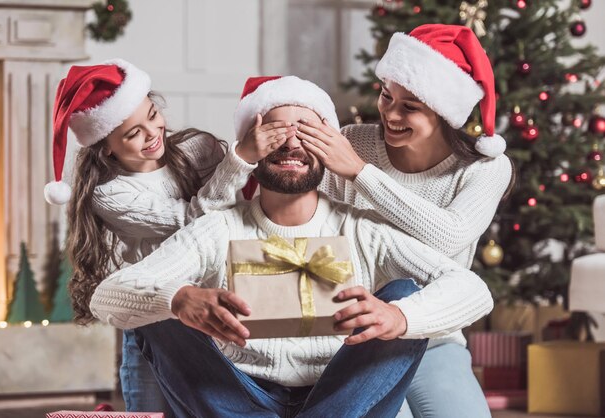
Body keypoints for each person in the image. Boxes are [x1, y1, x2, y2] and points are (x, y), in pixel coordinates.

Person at [89, 75, 494, 418]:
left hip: (339, 398)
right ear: (251, 148)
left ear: (328, 146)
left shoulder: (363, 230)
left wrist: (399, 316)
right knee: (159, 305)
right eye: (274, 131)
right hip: (239, 399)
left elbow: (473, 289)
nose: (290, 141)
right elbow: (106, 296)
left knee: (405, 294)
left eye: (306, 129)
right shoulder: (215, 229)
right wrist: (179, 299)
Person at [44, 60, 297, 415]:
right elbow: (195, 224)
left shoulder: (200, 149)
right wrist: (240, 160)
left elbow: (238, 213)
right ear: (106, 148)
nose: (152, 132)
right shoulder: (111, 194)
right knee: (149, 409)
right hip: (155, 321)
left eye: (152, 114)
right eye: (133, 133)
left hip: (218, 310)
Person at [286, 24, 514, 418]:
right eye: (386, 96)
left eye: (410, 107)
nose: (391, 113)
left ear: (443, 112)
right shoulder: (353, 142)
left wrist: (360, 173)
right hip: (351, 334)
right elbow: (309, 228)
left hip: (433, 336)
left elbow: (448, 237)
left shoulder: (484, 169)